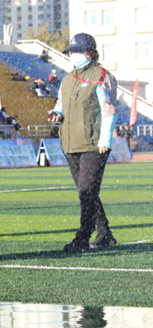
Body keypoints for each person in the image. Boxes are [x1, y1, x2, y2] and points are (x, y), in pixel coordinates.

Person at [49, 33, 118, 253]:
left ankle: (82, 238)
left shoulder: (102, 76)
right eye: (71, 52)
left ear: (89, 53)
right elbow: (61, 103)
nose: (72, 55)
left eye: (76, 51)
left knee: (87, 191)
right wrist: (56, 113)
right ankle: (104, 234)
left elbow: (109, 110)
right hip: (70, 143)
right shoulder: (68, 78)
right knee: (86, 192)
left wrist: (105, 140)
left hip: (93, 144)